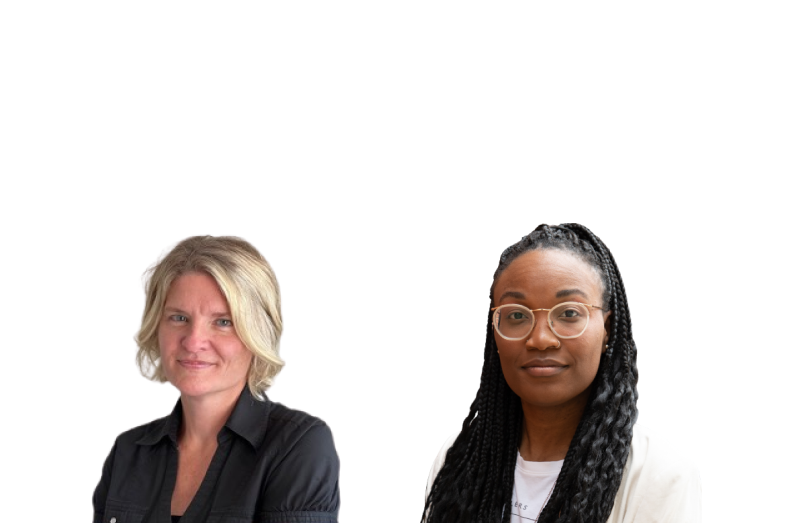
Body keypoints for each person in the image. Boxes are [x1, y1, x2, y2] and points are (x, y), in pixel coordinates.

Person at [422, 224, 700, 523]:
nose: (541, 339)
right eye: (517, 315)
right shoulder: (459, 459)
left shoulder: (657, 475)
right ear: (495, 332)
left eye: (569, 313)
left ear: (607, 329)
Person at [93, 236, 340, 523]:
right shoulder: (129, 452)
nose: (194, 341)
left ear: (257, 335)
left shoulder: (297, 447)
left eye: (223, 322)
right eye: (179, 318)